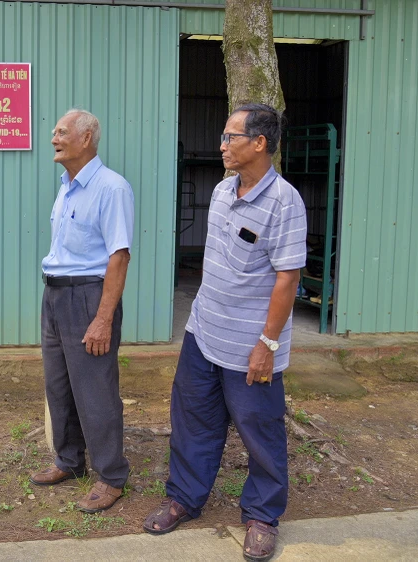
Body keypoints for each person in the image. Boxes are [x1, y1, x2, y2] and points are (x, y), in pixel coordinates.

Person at [142, 103, 307, 562]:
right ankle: (185, 498)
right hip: (203, 334)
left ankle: (261, 516)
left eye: (231, 137)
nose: (222, 145)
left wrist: (267, 345)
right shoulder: (220, 192)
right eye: (223, 136)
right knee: (193, 422)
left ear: (259, 143)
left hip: (251, 348)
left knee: (260, 432)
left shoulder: (284, 202)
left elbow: (287, 279)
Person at [30, 109, 134, 513]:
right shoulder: (66, 186)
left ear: (86, 138)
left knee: (95, 390)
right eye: (54, 131)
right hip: (55, 297)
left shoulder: (111, 188)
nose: (53, 137)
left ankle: (111, 476)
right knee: (59, 386)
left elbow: (119, 257)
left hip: (89, 298)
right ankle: (69, 461)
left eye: (61, 132)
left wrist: (103, 317)